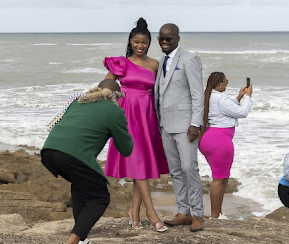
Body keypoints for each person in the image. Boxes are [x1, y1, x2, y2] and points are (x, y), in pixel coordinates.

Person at [41, 79, 133, 244]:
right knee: (100, 197)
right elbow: (126, 149)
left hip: (50, 151)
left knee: (81, 187)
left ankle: (81, 241)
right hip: (72, 155)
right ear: (116, 97)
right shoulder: (114, 110)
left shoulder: (79, 101)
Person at [104, 18, 168, 232]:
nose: (140, 46)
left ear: (149, 43)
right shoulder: (120, 63)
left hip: (148, 116)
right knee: (139, 162)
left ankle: (134, 212)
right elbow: (106, 88)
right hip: (127, 115)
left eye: (144, 43)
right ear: (130, 42)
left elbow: (163, 92)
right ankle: (151, 213)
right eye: (136, 42)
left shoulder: (155, 65)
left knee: (141, 165)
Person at [154, 23, 205, 231]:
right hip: (165, 124)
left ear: (178, 39)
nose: (165, 42)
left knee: (188, 167)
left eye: (169, 39)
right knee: (175, 170)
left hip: (186, 125)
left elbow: (197, 93)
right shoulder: (161, 62)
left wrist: (195, 123)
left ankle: (198, 214)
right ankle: (183, 212)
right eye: (162, 39)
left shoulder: (189, 59)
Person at [198, 72, 253, 219]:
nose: (227, 84)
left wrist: (239, 97)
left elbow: (224, 110)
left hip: (207, 139)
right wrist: (248, 97)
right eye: (226, 81)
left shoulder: (209, 96)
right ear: (220, 83)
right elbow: (242, 112)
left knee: (221, 178)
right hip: (219, 141)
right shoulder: (220, 98)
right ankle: (215, 216)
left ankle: (218, 213)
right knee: (219, 179)